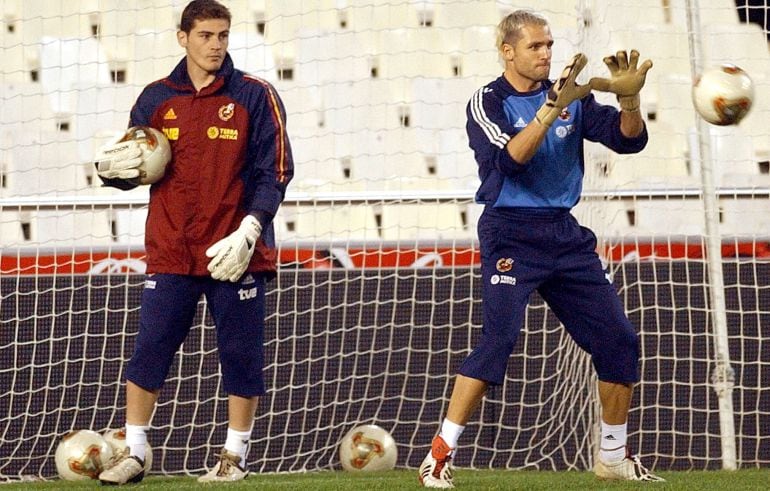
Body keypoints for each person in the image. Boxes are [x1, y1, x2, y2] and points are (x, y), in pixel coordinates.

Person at [418, 10, 662, 488]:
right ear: (508, 51)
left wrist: (630, 100)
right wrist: (550, 109)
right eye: (535, 46)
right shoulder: (487, 101)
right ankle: (439, 456)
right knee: (498, 342)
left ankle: (612, 457)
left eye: (549, 45)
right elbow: (509, 160)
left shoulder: (574, 96)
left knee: (619, 342)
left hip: (564, 234)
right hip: (509, 232)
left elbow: (628, 142)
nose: (546, 53)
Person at [92, 0, 293, 484]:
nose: (216, 45)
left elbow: (276, 171)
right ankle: (135, 452)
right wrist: (110, 172)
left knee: (240, 354)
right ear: (183, 37)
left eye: (223, 35)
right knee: (150, 350)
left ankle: (234, 457)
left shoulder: (254, 95)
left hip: (235, 251)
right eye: (205, 35)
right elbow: (138, 163)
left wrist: (250, 229)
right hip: (172, 248)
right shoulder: (155, 98)